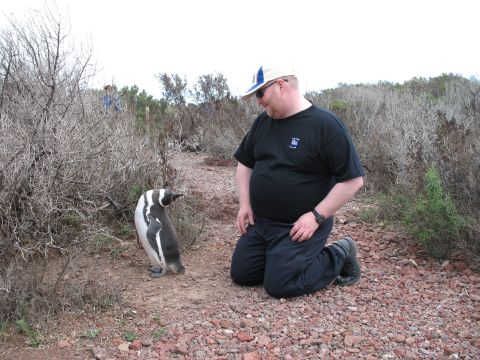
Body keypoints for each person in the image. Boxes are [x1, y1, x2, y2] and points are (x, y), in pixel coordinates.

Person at [230, 66, 365, 298]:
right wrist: (245, 204)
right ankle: (281, 259)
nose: (258, 102)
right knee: (242, 274)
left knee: (281, 285)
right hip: (262, 224)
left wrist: (316, 217)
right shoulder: (263, 123)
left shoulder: (326, 126)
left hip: (299, 227)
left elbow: (352, 181)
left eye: (260, 94)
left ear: (281, 85)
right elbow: (245, 164)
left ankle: (341, 253)